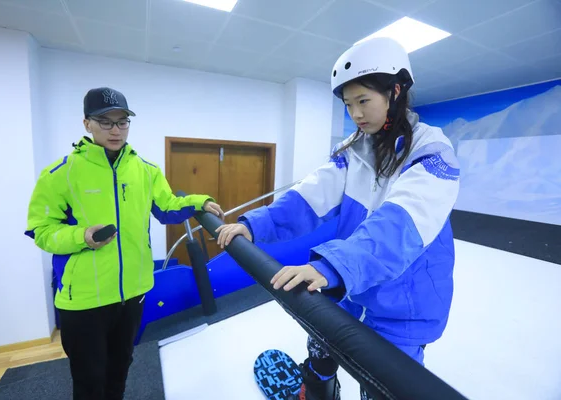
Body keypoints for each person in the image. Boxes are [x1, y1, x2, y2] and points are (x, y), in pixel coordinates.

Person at [216, 37, 460, 400]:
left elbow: (401, 225)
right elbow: (309, 195)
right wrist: (254, 224)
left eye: (364, 101)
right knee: (320, 344)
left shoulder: (432, 151)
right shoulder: (354, 150)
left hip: (402, 301)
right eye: (348, 105)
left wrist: (333, 267)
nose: (356, 114)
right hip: (352, 285)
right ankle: (316, 391)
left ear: (395, 91)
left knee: (383, 385)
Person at [25, 87, 224, 400]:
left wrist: (200, 202)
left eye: (122, 122)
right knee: (90, 381)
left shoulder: (145, 171)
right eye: (105, 122)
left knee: (120, 371)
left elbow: (168, 207)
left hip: (133, 293)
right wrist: (81, 237)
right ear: (86, 123)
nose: (115, 130)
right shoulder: (59, 174)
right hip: (83, 301)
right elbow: (41, 230)